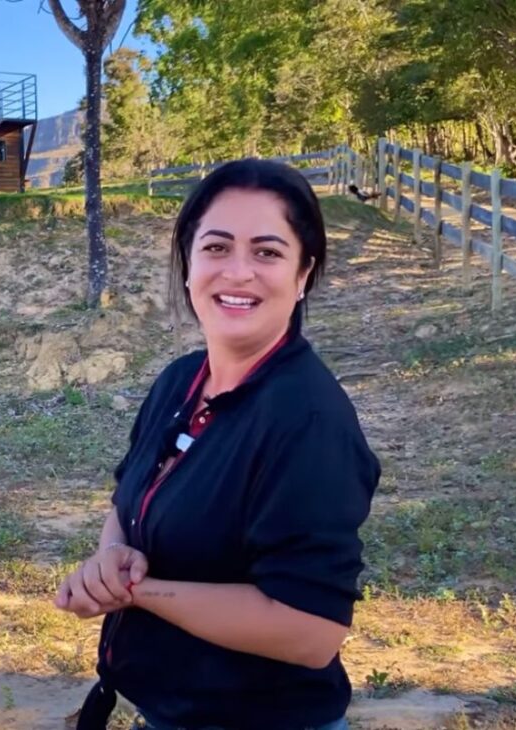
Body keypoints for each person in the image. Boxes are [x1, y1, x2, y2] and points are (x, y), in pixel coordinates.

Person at [53, 159, 380, 730]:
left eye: (268, 252)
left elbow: (311, 632)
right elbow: (125, 501)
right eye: (217, 247)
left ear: (303, 275)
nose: (238, 272)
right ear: (189, 264)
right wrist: (110, 560)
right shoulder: (181, 380)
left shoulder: (308, 420)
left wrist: (139, 591)